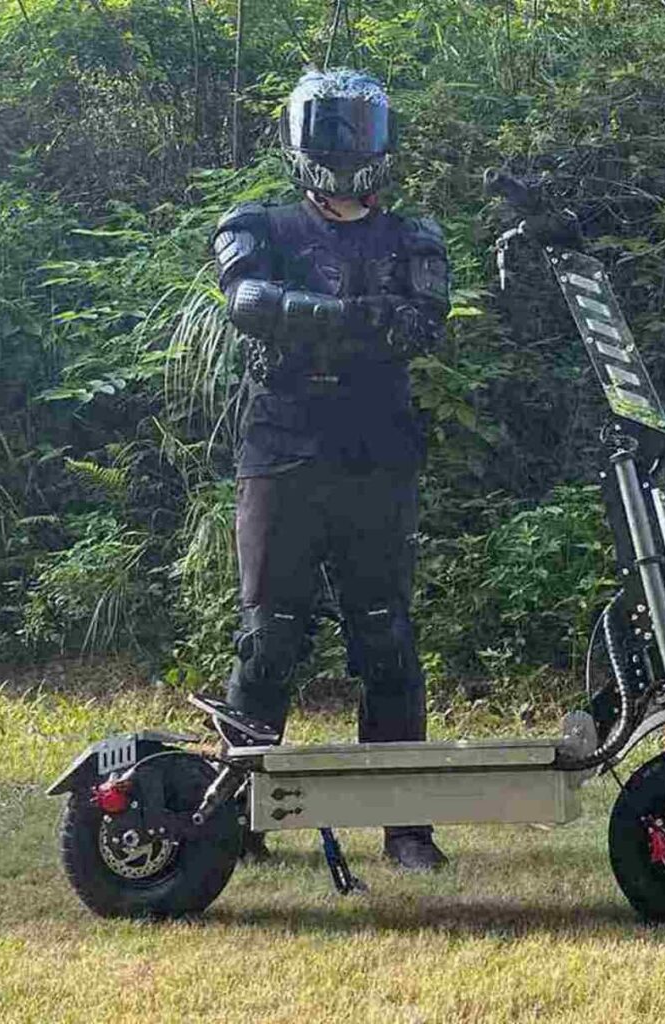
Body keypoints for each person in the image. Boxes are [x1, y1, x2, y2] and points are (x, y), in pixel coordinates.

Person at [210, 68, 450, 871]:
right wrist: (349, 321)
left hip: (376, 451)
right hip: (282, 446)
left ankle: (405, 826)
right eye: (333, 127)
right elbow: (245, 299)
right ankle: (239, 818)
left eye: (357, 128)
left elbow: (423, 325)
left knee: (385, 634)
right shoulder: (259, 223)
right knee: (269, 635)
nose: (345, 145)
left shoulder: (413, 236)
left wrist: (321, 325)